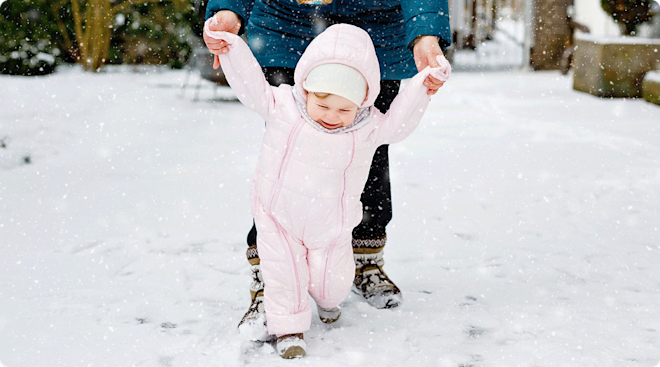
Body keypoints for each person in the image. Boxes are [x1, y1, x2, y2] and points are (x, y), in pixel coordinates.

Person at [203, 0, 451, 342]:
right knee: (287, 158)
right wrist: (230, 9)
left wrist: (425, 30)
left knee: (369, 153)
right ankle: (272, 276)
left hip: (375, 32)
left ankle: (365, 255)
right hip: (287, 24)